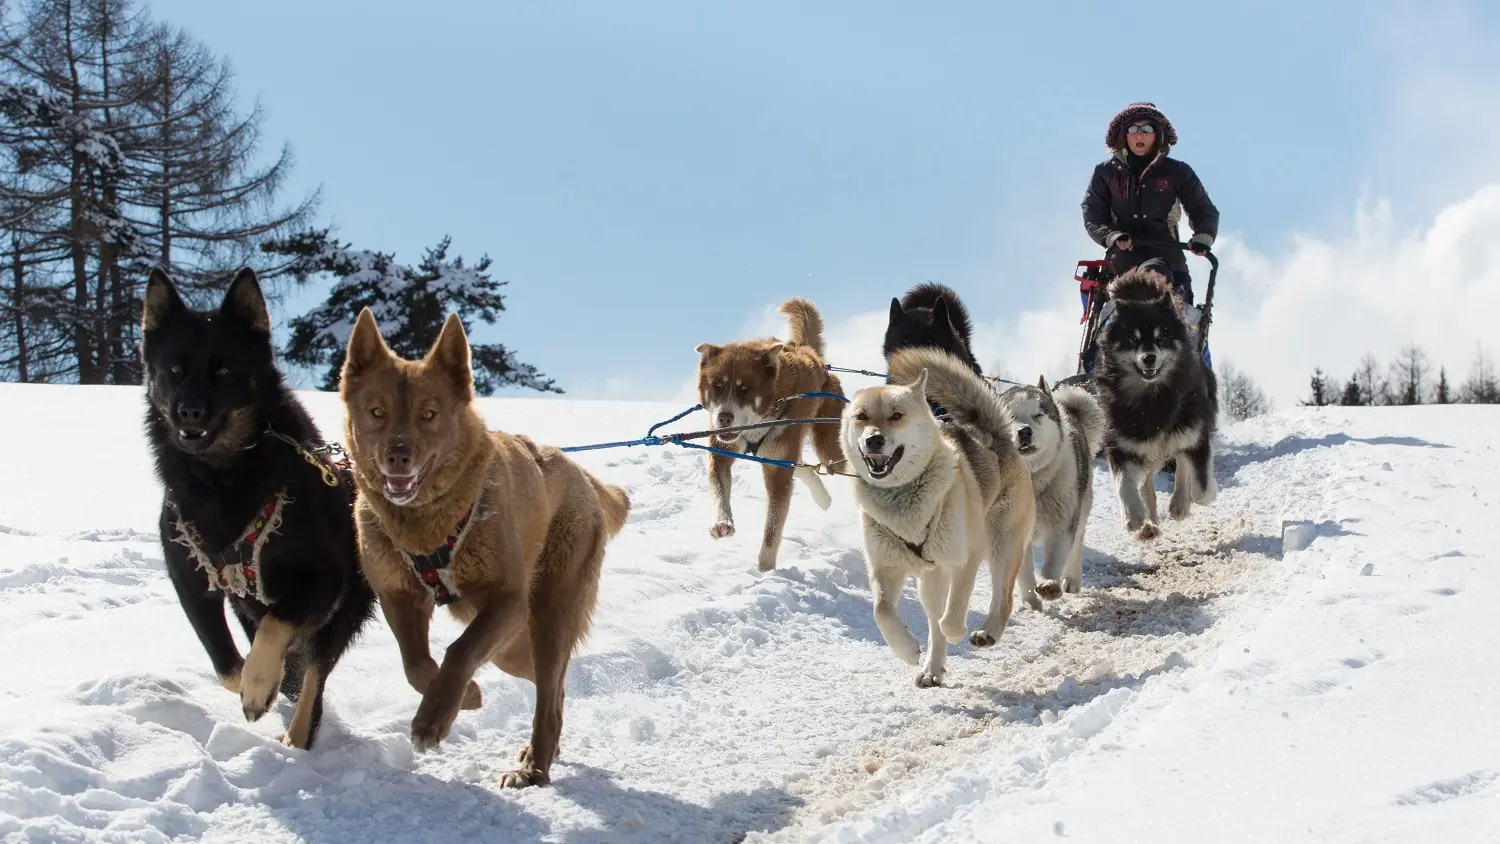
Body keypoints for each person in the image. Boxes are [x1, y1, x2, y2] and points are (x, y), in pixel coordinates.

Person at [1082, 102, 1219, 307]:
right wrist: (1112, 236)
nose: (1139, 135)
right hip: (1121, 265)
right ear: (1123, 134)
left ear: (1158, 134)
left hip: (1170, 263)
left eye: (1147, 129)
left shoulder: (1178, 172)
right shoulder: (1105, 173)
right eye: (1133, 129)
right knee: (1107, 323)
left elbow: (1202, 208)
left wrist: (1202, 237)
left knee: (1190, 324)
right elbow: (1093, 213)